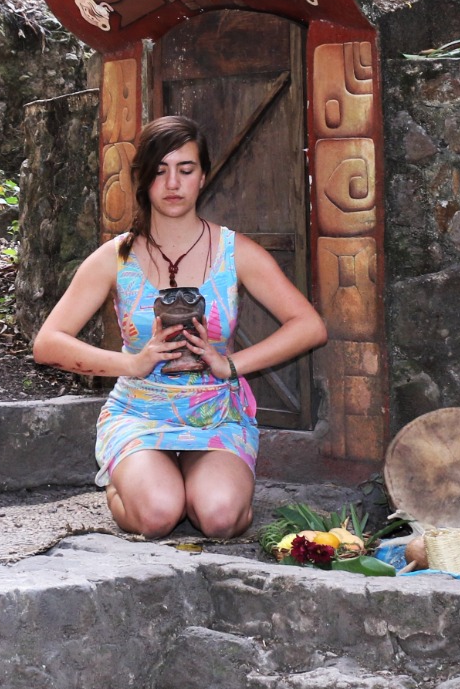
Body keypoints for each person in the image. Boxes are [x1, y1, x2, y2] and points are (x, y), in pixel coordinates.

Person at [31, 115, 327, 539]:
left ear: (202, 177)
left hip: (216, 413)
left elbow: (309, 326)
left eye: (186, 170)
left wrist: (230, 365)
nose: (173, 183)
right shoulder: (115, 257)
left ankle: (201, 481)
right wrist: (132, 364)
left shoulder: (234, 251)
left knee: (220, 519)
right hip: (139, 412)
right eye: (160, 170)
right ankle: (126, 481)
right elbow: (48, 343)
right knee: (157, 516)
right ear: (143, 179)